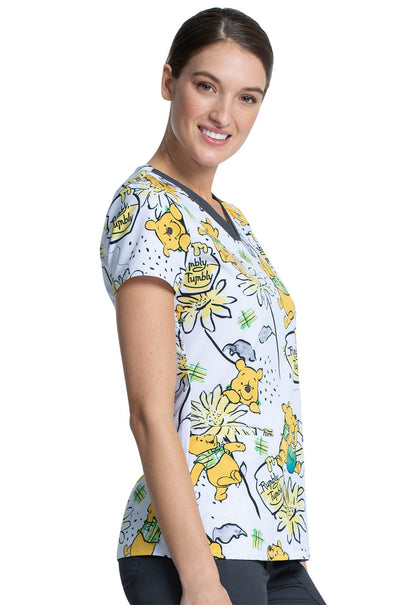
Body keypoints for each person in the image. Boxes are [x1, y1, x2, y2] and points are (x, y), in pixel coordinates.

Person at [100, 7, 326, 605]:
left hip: (267, 544)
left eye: (248, 98)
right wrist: (200, 580)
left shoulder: (236, 223)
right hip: (193, 550)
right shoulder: (147, 209)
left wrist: (275, 534)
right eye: (207, 86)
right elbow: (149, 413)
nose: (225, 115)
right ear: (168, 81)